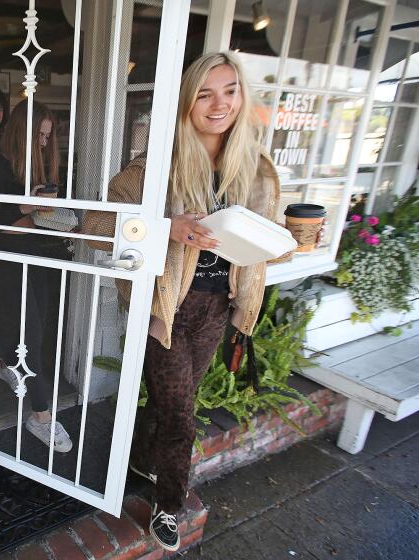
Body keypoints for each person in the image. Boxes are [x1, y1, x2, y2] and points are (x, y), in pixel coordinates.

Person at [82, 52, 280, 552]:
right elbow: (97, 228)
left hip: (217, 307)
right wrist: (169, 227)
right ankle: (170, 506)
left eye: (229, 91)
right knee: (181, 415)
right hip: (166, 307)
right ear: (187, 102)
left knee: (174, 401)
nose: (219, 104)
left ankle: (140, 457)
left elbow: (263, 243)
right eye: (205, 94)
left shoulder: (254, 168)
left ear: (242, 96)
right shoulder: (158, 165)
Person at [0, 100, 73, 453]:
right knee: (33, 334)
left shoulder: (33, 169)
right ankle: (40, 415)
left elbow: (30, 220)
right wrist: (27, 208)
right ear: (21, 132)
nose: (43, 143)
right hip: (9, 258)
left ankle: (5, 364)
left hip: (37, 254)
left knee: (35, 328)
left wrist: (51, 218)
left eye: (47, 137)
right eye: (38, 135)